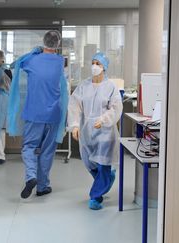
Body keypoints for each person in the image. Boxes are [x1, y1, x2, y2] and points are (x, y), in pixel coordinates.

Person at [7, 30, 68, 199]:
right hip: (54, 114)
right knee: (48, 150)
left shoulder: (32, 60)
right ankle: (42, 186)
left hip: (35, 113)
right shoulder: (59, 61)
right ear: (58, 44)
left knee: (29, 147)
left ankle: (31, 176)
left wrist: (32, 52)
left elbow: (15, 65)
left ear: (43, 42)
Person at [68, 52, 123, 210]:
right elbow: (74, 105)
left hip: (105, 132)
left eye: (98, 64)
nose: (95, 66)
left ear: (104, 67)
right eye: (93, 63)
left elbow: (116, 108)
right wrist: (75, 125)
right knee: (89, 163)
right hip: (87, 131)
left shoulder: (111, 86)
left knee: (103, 164)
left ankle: (95, 197)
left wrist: (104, 119)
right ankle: (106, 179)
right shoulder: (83, 86)